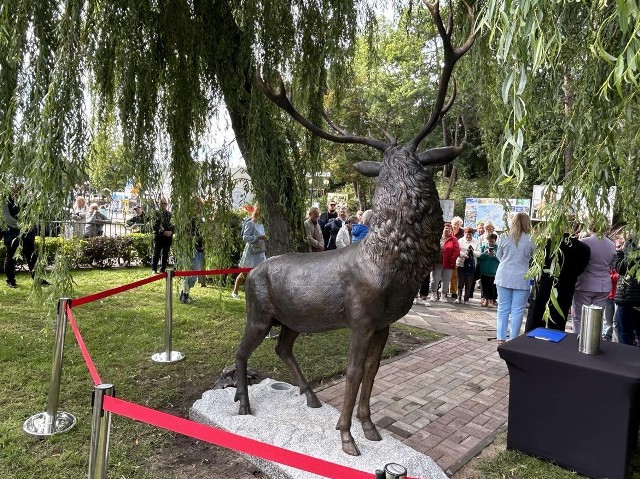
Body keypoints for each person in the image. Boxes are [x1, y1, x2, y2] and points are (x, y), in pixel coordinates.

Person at [524, 228, 591, 333]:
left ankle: (530, 345)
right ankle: (553, 347)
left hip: (542, 286)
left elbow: (533, 264)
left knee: (535, 319)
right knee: (558, 323)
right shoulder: (583, 248)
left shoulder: (544, 243)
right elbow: (579, 270)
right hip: (565, 288)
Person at [494, 212, 534, 345]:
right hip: (522, 276)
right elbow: (535, 258)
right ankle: (513, 338)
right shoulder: (531, 238)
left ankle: (500, 337)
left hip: (504, 274)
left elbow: (499, 255)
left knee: (503, 308)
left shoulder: (504, 236)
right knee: (518, 310)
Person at [570, 223, 616, 335]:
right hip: (603, 285)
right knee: (597, 318)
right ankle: (594, 342)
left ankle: (578, 341)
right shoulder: (612, 244)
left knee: (578, 317)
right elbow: (612, 265)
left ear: (590, 226)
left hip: (585, 283)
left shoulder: (585, 242)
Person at [3, 186, 49, 288]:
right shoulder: (6, 200)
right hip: (12, 234)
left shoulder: (28, 200)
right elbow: (6, 217)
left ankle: (37, 278)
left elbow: (34, 213)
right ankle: (10, 280)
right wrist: (22, 226)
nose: (20, 190)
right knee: (11, 257)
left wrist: (32, 224)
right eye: (18, 188)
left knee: (32, 257)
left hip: (28, 234)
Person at [232, 205, 267, 299]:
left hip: (260, 252)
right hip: (251, 252)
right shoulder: (251, 223)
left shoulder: (261, 224)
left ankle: (255, 293)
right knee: (245, 273)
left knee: (259, 272)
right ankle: (235, 291)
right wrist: (258, 238)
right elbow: (245, 237)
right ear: (257, 212)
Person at [613, 235, 640, 346]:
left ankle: (626, 358)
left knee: (625, 333)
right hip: (632, 297)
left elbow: (621, 268)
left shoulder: (630, 245)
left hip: (627, 296)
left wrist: (619, 253)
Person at [179, 199, 205, 304]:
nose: (199, 208)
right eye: (197, 205)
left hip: (199, 250)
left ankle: (184, 292)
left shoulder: (201, 221)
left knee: (194, 275)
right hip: (190, 250)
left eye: (200, 206)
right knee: (188, 273)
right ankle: (184, 295)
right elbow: (186, 235)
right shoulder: (189, 220)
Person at [429, 222, 459, 301]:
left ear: (451, 231)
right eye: (446, 228)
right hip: (437, 262)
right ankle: (433, 294)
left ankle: (443, 295)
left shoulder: (454, 239)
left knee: (446, 280)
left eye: (449, 229)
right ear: (442, 229)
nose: (447, 230)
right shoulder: (437, 238)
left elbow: (456, 251)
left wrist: (452, 260)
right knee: (434, 279)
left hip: (448, 264)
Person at [455, 227, 480, 304]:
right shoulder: (460, 241)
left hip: (471, 265)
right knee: (460, 282)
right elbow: (457, 251)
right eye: (467, 234)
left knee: (469, 282)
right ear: (464, 233)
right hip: (461, 264)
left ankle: (466, 298)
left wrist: (473, 252)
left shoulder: (476, 242)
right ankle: (458, 297)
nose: (468, 236)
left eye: (470, 234)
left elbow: (479, 253)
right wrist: (463, 254)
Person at [151, 198, 175, 273]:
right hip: (159, 237)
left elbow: (174, 225)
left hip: (168, 238)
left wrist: (171, 232)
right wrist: (163, 232)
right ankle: (154, 269)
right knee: (156, 253)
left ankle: (162, 269)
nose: (164, 205)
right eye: (162, 203)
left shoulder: (170, 214)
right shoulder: (156, 214)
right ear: (159, 204)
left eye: (165, 203)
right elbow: (155, 226)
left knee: (165, 254)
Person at [477, 233, 499, 307]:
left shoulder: (498, 248)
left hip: (493, 271)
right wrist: (484, 253)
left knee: (492, 287)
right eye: (489, 241)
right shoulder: (484, 247)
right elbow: (479, 258)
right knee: (484, 286)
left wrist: (494, 255)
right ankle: (485, 300)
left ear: (495, 241)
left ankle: (491, 301)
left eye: (492, 241)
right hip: (484, 270)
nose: (491, 243)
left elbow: (500, 259)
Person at [449, 216, 464, 299]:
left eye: (458, 224)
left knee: (454, 275)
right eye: (455, 224)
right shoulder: (449, 230)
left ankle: (453, 291)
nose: (456, 226)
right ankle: (443, 290)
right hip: (448, 254)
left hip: (457, 255)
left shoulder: (462, 232)